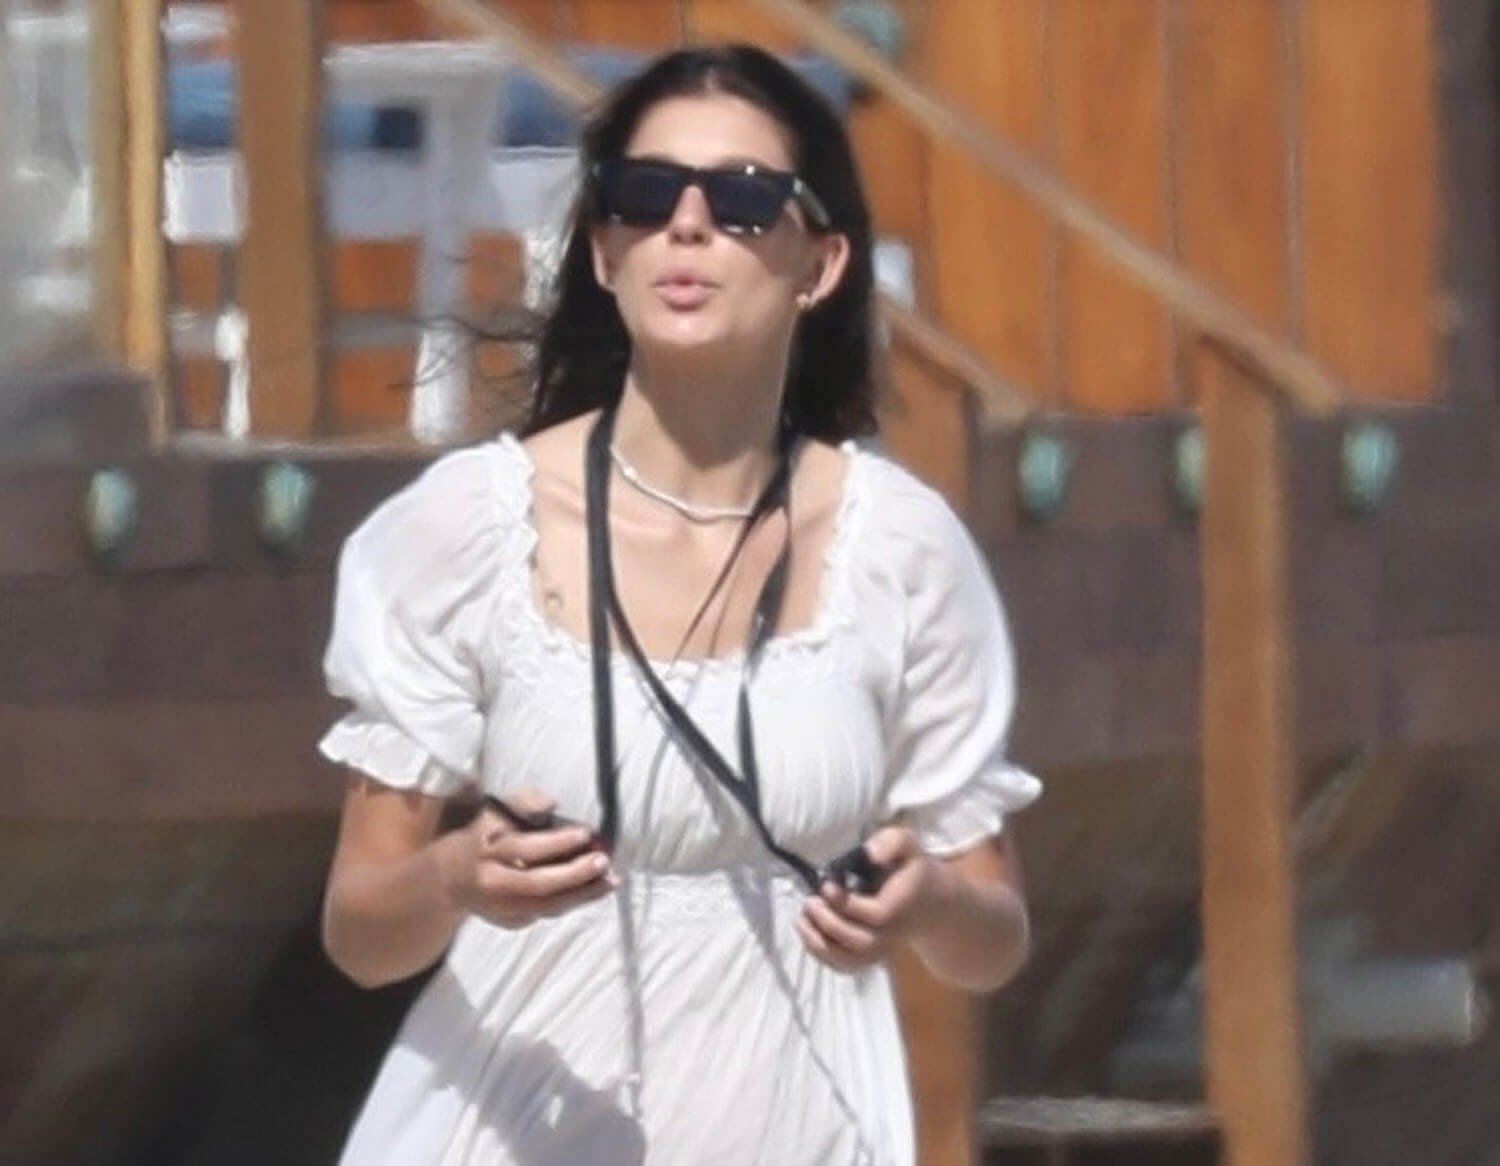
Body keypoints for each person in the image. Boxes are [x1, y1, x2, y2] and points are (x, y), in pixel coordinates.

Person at [317, 42, 1041, 1165]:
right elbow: (360, 933)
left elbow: (993, 935)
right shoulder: (465, 529)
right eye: (647, 195)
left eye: (743, 200)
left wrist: (929, 900)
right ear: (604, 252)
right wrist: (457, 876)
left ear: (822, 263)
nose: (688, 226)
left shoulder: (901, 549)